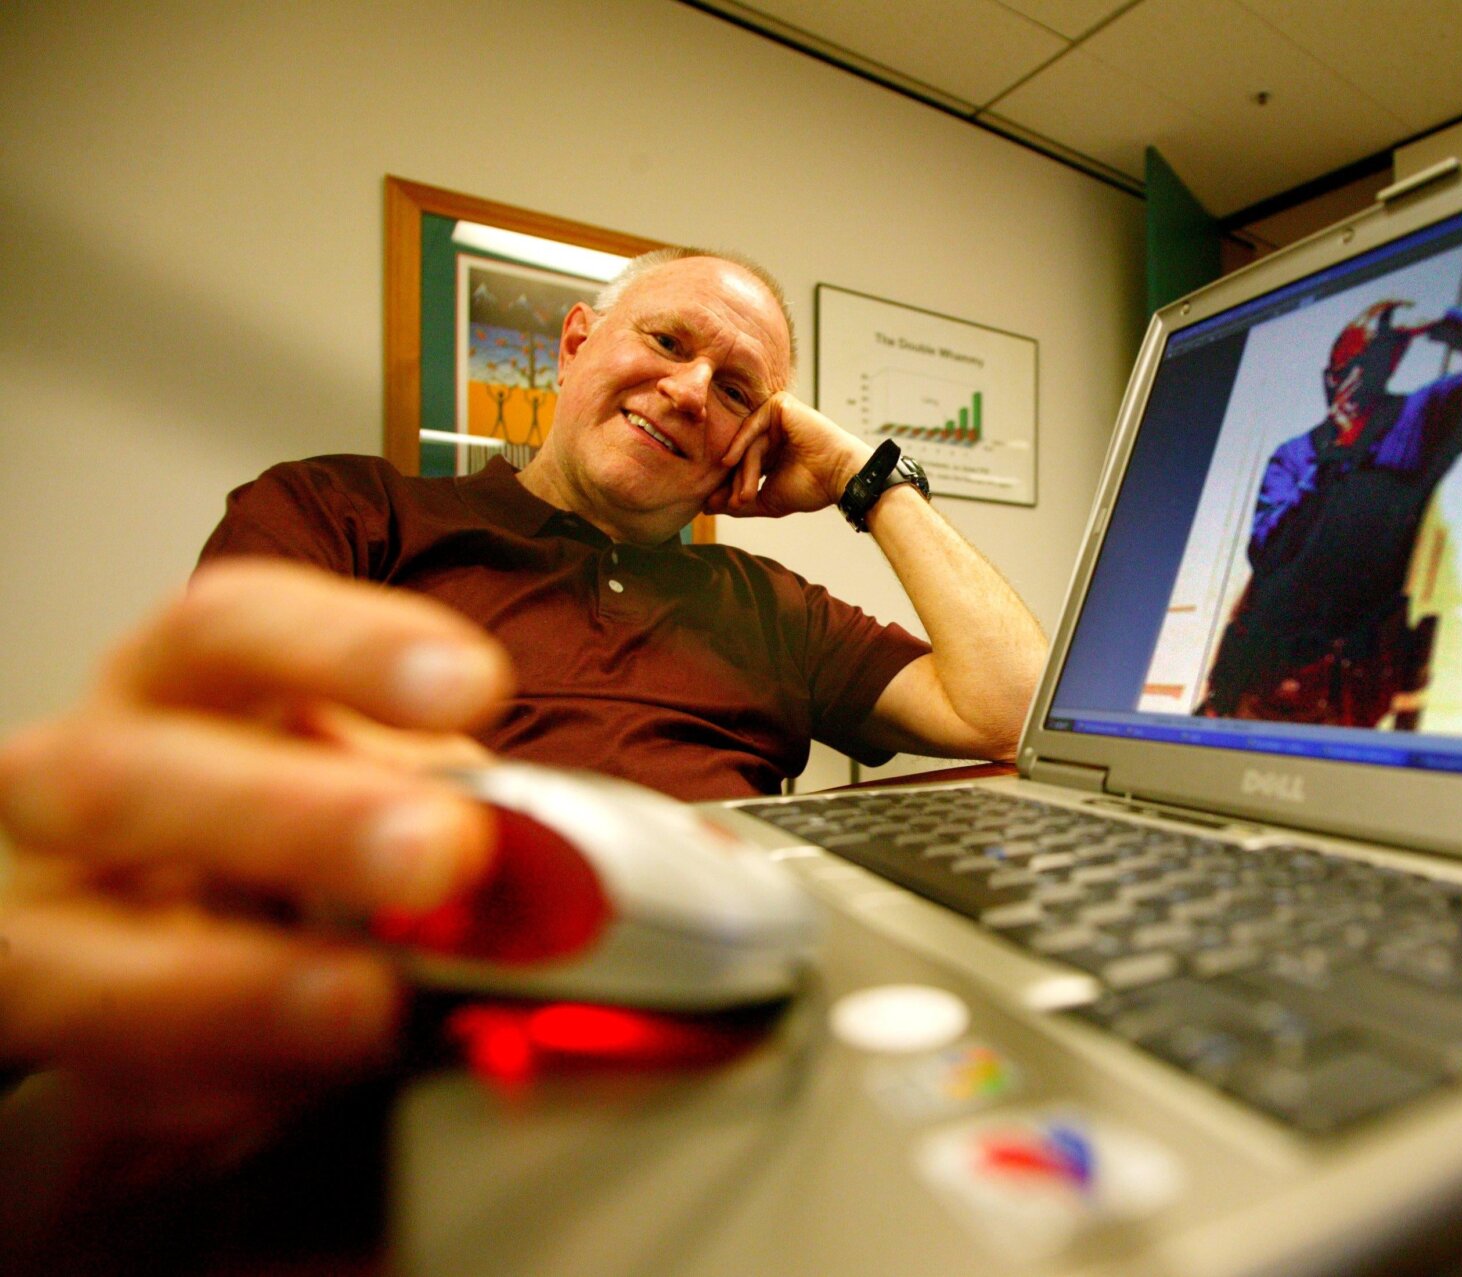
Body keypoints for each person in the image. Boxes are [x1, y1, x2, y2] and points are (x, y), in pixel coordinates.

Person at [0, 248, 1047, 1231]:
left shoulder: (770, 603)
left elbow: (1011, 705)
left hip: (727, 1033)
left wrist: (871, 479)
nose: (691, 390)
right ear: (577, 343)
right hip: (413, 1024)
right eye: (671, 342)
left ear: (752, 445)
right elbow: (253, 747)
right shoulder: (348, 508)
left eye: (737, 391)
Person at [1200, 300, 1462, 726]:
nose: (1353, 382)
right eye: (1344, 370)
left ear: (1391, 365)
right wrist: (1329, 459)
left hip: (1350, 683)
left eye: (1368, 365)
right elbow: (1265, 552)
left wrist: (1443, 322)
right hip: (1262, 677)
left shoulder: (1419, 419)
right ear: (1327, 379)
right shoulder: (1297, 453)